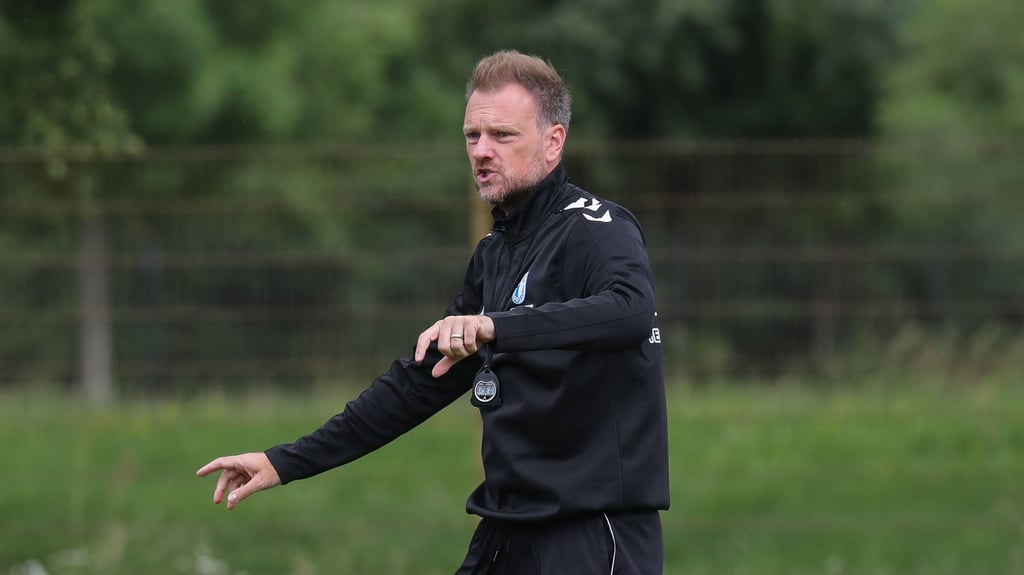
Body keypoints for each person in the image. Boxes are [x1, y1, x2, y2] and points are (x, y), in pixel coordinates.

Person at [197, 49, 669, 574]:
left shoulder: (597, 227)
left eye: (502, 136)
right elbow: (420, 382)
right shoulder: (497, 251)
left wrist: (496, 327)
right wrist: (284, 461)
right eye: (473, 136)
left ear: (553, 141)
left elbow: (631, 310)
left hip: (589, 531)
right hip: (507, 529)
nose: (482, 152)